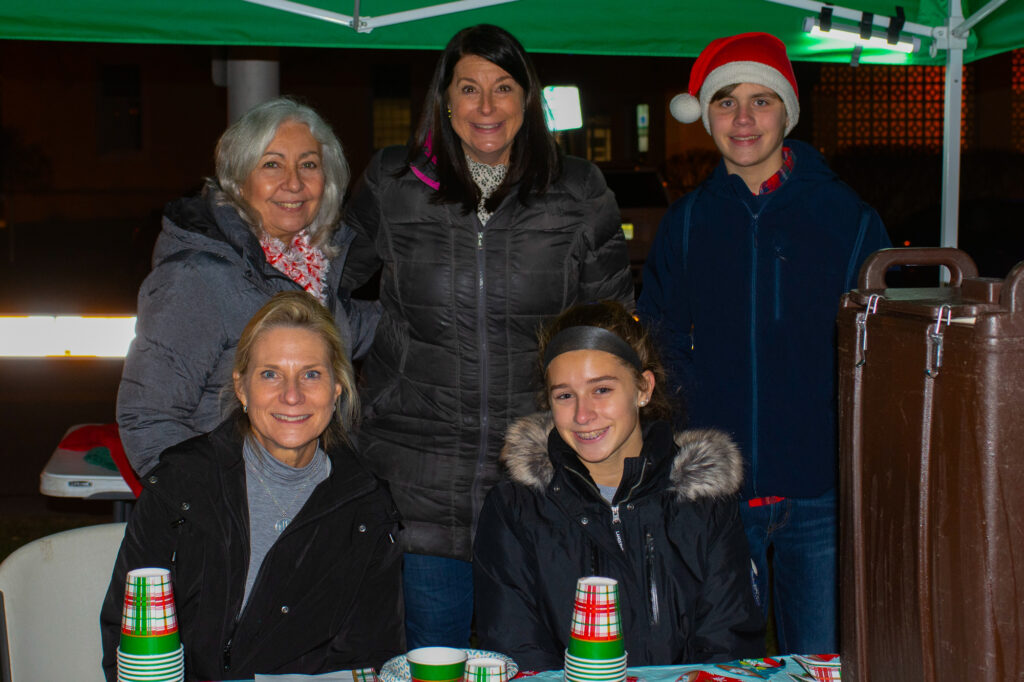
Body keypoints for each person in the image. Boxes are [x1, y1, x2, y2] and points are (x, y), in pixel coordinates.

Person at [341, 24, 633, 648]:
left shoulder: (578, 191)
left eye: (503, 87)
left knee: (532, 661)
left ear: (528, 99)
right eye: (469, 88)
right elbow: (326, 285)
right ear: (445, 100)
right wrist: (371, 342)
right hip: (415, 479)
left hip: (539, 484)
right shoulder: (394, 184)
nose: (486, 106)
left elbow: (613, 330)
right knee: (435, 662)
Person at [638, 32, 892, 654]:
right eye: (726, 102)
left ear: (787, 113)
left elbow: (880, 347)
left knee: (820, 658)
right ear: (707, 116)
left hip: (819, 486)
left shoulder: (848, 217)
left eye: (762, 100)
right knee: (721, 660)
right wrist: (681, 443)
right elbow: (656, 343)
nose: (744, 119)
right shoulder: (687, 223)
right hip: (716, 491)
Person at [101, 291, 403, 682]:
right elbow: (131, 637)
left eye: (311, 374)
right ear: (242, 389)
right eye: (270, 374)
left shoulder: (368, 510)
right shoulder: (181, 486)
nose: (292, 395)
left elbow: (371, 657)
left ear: (337, 389)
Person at [473, 301, 764, 671]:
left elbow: (727, 647)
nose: (583, 415)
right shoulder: (516, 508)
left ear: (643, 389)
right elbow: (518, 652)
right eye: (565, 395)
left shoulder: (704, 501)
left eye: (601, 389)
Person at [118, 96, 377, 476]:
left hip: (308, 493)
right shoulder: (196, 278)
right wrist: (209, 500)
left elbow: (371, 326)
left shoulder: (315, 272)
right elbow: (147, 418)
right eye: (272, 164)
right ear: (238, 181)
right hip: (228, 498)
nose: (294, 182)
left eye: (308, 164)